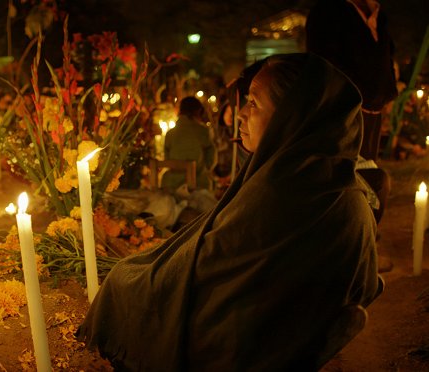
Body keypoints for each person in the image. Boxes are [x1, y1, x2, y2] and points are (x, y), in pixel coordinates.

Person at [77, 54, 380, 370]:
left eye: (254, 103)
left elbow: (208, 265)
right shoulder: (330, 180)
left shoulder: (282, 191)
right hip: (285, 329)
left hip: (248, 340)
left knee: (124, 281)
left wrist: (147, 275)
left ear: (292, 116)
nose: (241, 115)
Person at [306, 0, 397, 161]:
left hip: (374, 109)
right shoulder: (328, 12)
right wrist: (361, 94)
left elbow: (385, 56)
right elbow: (325, 62)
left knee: (368, 169)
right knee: (346, 169)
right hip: (344, 112)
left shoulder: (378, 15)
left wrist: (387, 90)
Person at [161, 96, 217, 191]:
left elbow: (167, 158)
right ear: (198, 111)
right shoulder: (203, 131)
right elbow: (211, 158)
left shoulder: (170, 134)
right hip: (198, 183)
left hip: (172, 184)